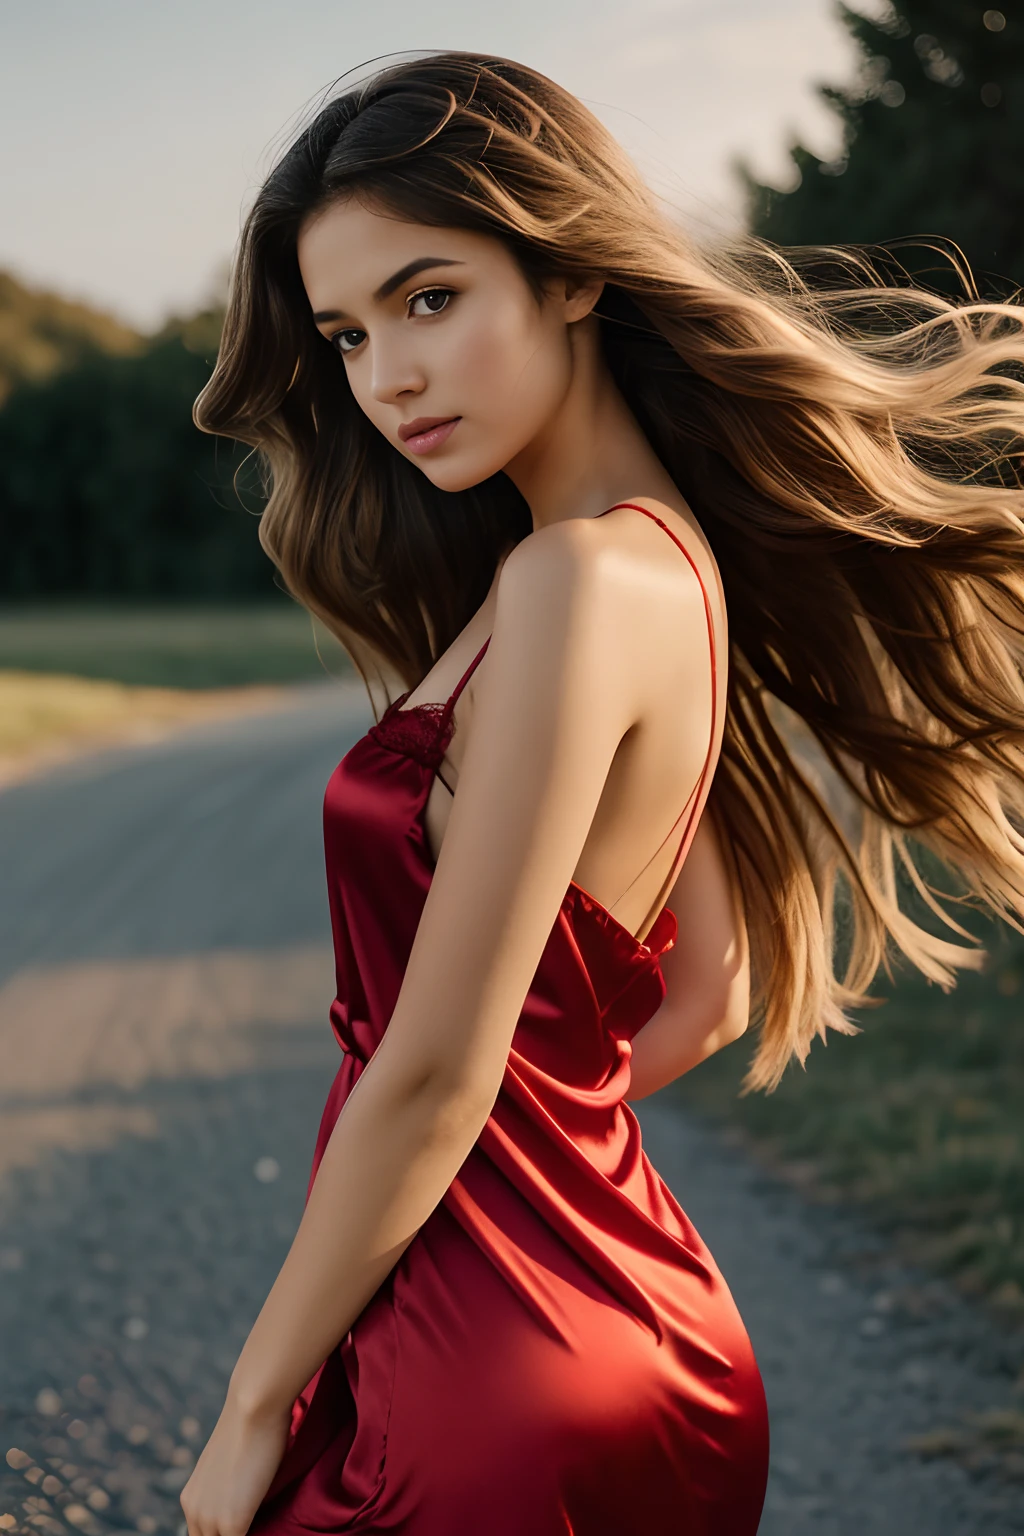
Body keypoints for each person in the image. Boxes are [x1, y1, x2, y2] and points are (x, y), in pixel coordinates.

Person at [180, 50, 1024, 1536]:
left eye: (429, 298)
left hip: (496, 1391)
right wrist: (526, 1155)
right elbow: (706, 982)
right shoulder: (656, 566)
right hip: (622, 1337)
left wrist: (255, 1407)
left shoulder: (574, 581)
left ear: (570, 274)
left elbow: (440, 1073)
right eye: (347, 334)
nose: (387, 379)